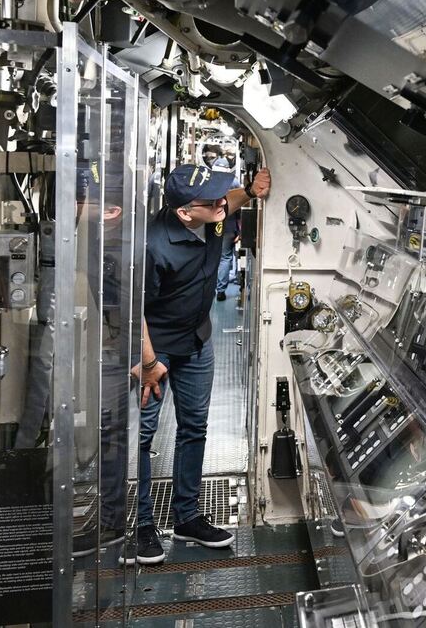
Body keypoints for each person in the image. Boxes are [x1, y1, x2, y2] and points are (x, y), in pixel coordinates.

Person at [125, 163, 270, 565]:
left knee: (195, 428)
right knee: (142, 437)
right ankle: (139, 527)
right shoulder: (153, 246)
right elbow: (130, 308)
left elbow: (231, 201)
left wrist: (253, 191)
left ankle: (187, 517)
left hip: (196, 342)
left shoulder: (212, 218)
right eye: (213, 200)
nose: (223, 203)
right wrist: (149, 363)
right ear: (186, 212)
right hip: (155, 350)